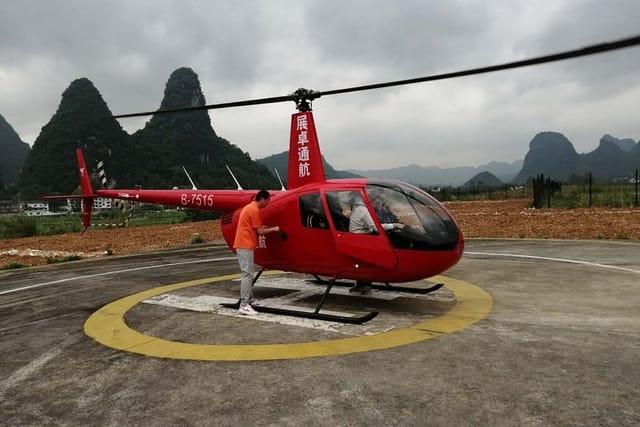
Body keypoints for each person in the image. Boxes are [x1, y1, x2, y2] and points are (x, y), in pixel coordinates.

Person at [233, 190, 280, 315]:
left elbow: (256, 228)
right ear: (263, 199)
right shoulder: (254, 210)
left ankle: (250, 300)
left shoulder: (250, 208)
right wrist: (274, 229)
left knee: (248, 273)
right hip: (244, 245)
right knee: (247, 274)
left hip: (245, 244)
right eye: (268, 201)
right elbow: (259, 231)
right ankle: (244, 305)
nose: (268, 203)